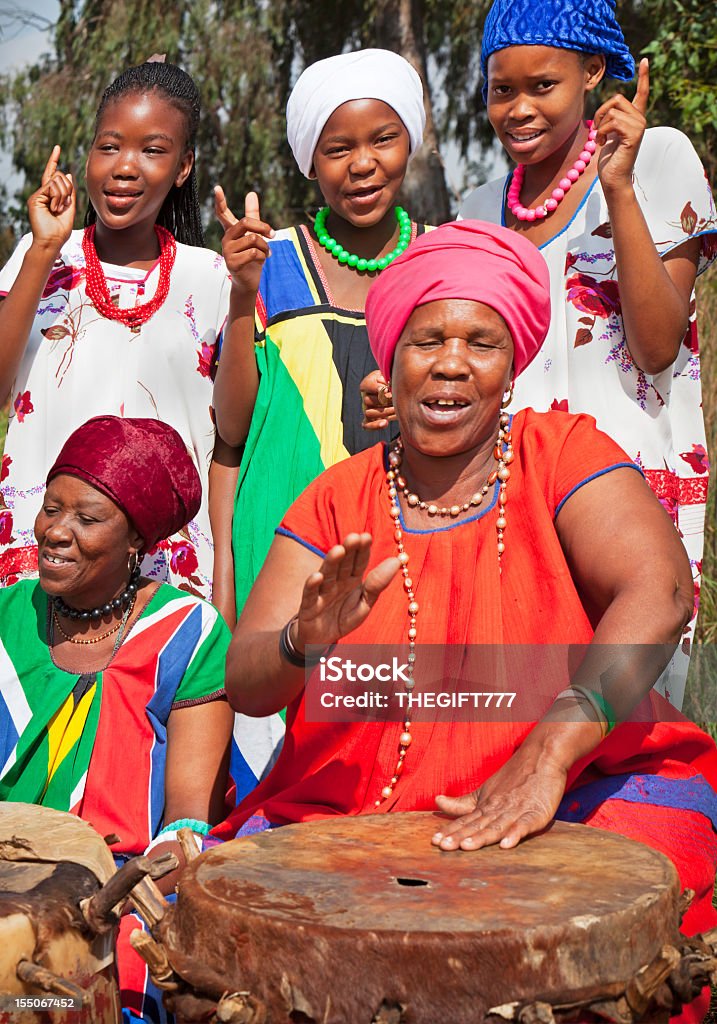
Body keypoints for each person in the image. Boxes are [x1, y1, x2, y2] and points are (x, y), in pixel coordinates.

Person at [216, 222, 717, 1024]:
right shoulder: (335, 498)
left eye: (479, 342)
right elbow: (244, 681)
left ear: (510, 365)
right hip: (354, 814)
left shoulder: (563, 453)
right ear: (391, 356)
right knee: (197, 935)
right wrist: (299, 643)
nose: (451, 362)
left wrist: (546, 755)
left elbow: (659, 591)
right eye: (427, 340)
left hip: (576, 789)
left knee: (637, 925)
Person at [455, 0, 717, 708]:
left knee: (618, 728)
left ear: (592, 72)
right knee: (509, 724)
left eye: (542, 86)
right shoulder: (476, 208)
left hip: (622, 508)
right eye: (500, 90)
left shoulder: (656, 158)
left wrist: (618, 187)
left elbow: (658, 345)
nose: (517, 109)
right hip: (508, 510)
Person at [210, 48, 431, 794]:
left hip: (401, 539)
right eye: (337, 148)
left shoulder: (438, 263)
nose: (362, 164)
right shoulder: (265, 262)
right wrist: (241, 300)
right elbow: (232, 425)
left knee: (388, 759)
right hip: (284, 536)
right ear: (310, 162)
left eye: (382, 140)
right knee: (278, 761)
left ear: (413, 143)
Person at [0, 415, 234, 1023]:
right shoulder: (5, 615)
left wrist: (109, 899)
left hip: (117, 900)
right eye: (52, 508)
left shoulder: (189, 634)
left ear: (137, 541)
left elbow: (187, 823)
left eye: (87, 518)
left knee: (62, 1002)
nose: (56, 531)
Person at [0, 60, 236, 601]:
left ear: (183, 166)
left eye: (152, 150)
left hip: (169, 575)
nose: (125, 167)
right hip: (40, 560)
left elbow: (231, 438)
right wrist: (41, 251)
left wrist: (223, 577)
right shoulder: (37, 260)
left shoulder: (214, 278)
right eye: (109, 146)